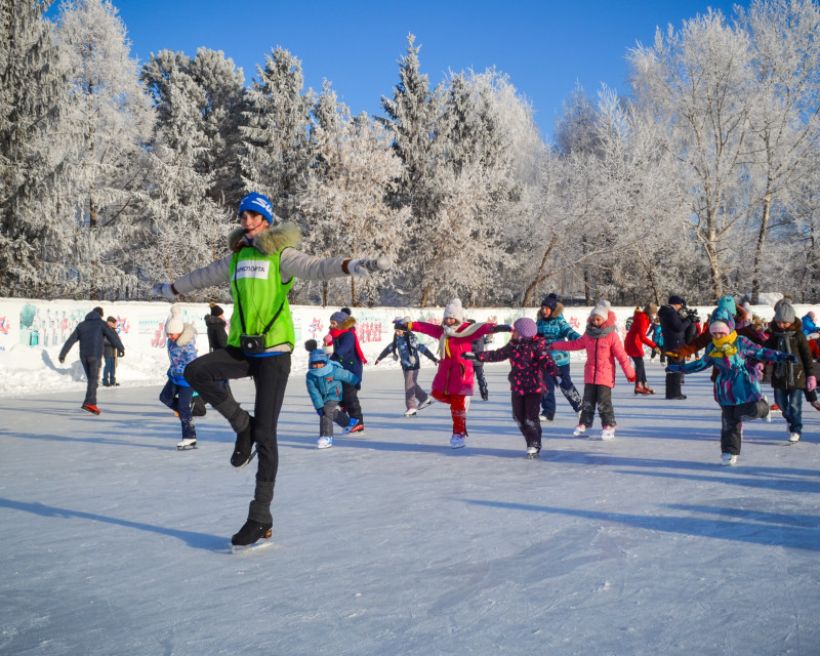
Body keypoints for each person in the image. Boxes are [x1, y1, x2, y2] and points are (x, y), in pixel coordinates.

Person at [151, 191, 388, 547]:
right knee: (197, 371)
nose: (245, 220)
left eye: (252, 214)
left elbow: (316, 267)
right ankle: (241, 425)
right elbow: (203, 275)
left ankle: (260, 517)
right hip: (242, 347)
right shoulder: (237, 257)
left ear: (266, 220)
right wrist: (172, 289)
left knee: (268, 435)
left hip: (274, 352)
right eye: (242, 214)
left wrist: (352, 265)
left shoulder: (281, 254)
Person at [666, 314, 796, 465]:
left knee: (750, 410)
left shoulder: (740, 342)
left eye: (721, 332)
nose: (718, 335)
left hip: (743, 385)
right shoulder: (712, 347)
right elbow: (701, 364)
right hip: (724, 389)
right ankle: (729, 451)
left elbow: (761, 352)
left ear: (729, 330)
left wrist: (782, 356)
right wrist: (680, 368)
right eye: (714, 333)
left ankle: (764, 408)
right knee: (729, 422)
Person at [397, 298, 504, 449]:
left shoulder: (466, 330)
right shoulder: (442, 332)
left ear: (458, 317)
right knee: (439, 395)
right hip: (446, 373)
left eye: (452, 317)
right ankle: (458, 414)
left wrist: (494, 328)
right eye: (447, 317)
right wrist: (409, 325)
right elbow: (425, 327)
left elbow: (480, 328)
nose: (449, 320)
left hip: (461, 373)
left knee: (457, 406)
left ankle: (458, 434)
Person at [464, 317, 558, 458]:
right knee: (519, 417)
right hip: (518, 388)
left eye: (515, 330)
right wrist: (476, 356)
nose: (512, 332)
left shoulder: (536, 346)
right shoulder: (512, 346)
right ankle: (532, 440)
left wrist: (556, 373)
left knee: (530, 418)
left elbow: (547, 361)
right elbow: (496, 354)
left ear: (523, 333)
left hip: (534, 388)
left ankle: (533, 443)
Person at [550, 301, 635, 440]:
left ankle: (609, 425)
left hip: (605, 375)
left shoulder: (611, 336)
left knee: (603, 402)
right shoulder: (588, 335)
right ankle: (584, 423)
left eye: (598, 319)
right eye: (593, 319)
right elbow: (574, 344)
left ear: (605, 319)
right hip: (590, 374)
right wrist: (555, 345)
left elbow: (622, 356)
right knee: (587, 401)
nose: (595, 321)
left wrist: (630, 373)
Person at [763, 299, 815, 443]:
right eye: (779, 322)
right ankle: (790, 420)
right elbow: (765, 351)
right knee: (780, 404)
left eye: (785, 322)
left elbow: (807, 356)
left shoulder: (798, 336)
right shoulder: (774, 336)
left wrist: (810, 375)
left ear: (791, 321)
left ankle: (796, 429)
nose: (782, 325)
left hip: (797, 376)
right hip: (779, 376)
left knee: (795, 405)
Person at [58, 306, 125, 414]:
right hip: (95, 355)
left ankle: (89, 402)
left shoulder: (81, 325)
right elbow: (112, 337)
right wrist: (121, 348)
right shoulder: (102, 324)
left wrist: (63, 354)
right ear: (100, 315)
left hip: (84, 356)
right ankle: (90, 403)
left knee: (92, 380)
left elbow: (71, 340)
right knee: (93, 380)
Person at [374, 318, 438, 416]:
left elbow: (422, 348)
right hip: (405, 365)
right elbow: (389, 348)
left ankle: (411, 407)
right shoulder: (398, 339)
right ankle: (424, 398)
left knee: (409, 386)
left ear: (404, 331)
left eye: (398, 331)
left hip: (413, 366)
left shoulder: (411, 339)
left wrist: (433, 359)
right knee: (412, 384)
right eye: (396, 331)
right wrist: (380, 358)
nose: (397, 333)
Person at [535, 293, 583, 421]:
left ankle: (579, 407)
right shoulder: (539, 322)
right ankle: (547, 412)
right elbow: (533, 336)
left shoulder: (559, 321)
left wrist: (582, 340)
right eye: (542, 308)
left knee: (565, 385)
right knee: (545, 386)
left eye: (546, 308)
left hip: (561, 360)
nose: (544, 311)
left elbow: (569, 332)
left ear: (552, 309)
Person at [305, 340, 360, 449]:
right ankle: (349, 422)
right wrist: (318, 406)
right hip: (322, 397)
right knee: (326, 412)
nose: (318, 366)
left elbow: (346, 375)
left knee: (326, 411)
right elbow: (314, 393)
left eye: (320, 362)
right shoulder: (310, 376)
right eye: (314, 364)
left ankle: (326, 437)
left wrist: (356, 381)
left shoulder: (332, 370)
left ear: (324, 361)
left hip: (335, 393)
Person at [158, 306, 199, 450]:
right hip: (175, 376)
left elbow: (194, 363)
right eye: (168, 334)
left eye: (172, 334)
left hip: (187, 380)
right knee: (164, 397)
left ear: (180, 331)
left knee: (183, 407)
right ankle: (184, 411)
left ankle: (189, 436)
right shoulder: (171, 340)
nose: (170, 337)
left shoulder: (187, 345)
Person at [328, 309, 367, 432]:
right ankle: (346, 411)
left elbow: (345, 347)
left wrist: (335, 355)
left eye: (334, 323)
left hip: (352, 371)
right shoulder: (336, 334)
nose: (331, 325)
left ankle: (358, 422)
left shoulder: (348, 335)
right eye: (331, 323)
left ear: (341, 323)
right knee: (340, 394)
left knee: (351, 397)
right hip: (342, 370)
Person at [657, 295, 692, 400]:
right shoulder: (671, 313)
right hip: (675, 343)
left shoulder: (665, 312)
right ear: (676, 304)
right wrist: (689, 320)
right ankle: (675, 393)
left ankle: (671, 392)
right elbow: (679, 327)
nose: (681, 306)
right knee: (676, 367)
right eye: (680, 304)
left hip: (670, 343)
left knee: (672, 368)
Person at [624, 303, 658, 395]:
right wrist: (654, 346)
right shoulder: (643, 319)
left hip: (633, 342)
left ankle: (644, 385)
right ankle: (638, 386)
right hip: (633, 343)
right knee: (639, 364)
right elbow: (642, 337)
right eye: (654, 313)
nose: (655, 315)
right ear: (650, 313)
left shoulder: (644, 318)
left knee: (640, 364)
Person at [102, 316, 120, 387]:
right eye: (114, 323)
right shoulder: (105, 330)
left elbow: (117, 341)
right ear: (110, 323)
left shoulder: (113, 330)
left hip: (113, 352)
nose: (115, 325)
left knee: (113, 367)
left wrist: (119, 349)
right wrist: (113, 342)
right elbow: (104, 341)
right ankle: (105, 381)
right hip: (107, 351)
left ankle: (112, 381)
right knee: (108, 366)